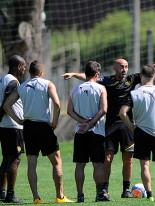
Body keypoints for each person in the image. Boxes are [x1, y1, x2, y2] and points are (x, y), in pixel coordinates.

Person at [62, 54, 155, 198]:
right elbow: (89, 76)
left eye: (126, 66)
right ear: (114, 68)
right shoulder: (106, 81)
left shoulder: (131, 79)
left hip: (127, 124)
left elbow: (151, 70)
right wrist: (73, 74)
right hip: (110, 125)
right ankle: (104, 189)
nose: (124, 69)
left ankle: (126, 189)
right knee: (107, 158)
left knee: (128, 159)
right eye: (121, 67)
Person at [3, 60, 73, 204]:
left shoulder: (22, 86)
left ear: (30, 72)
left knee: (32, 163)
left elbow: (6, 105)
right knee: (56, 162)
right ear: (41, 72)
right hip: (43, 127)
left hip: (28, 127)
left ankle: (36, 197)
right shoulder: (48, 84)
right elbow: (58, 105)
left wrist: (19, 120)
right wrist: (54, 122)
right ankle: (60, 196)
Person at [119, 65, 155, 201]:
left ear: (141, 77)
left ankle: (150, 195)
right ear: (154, 77)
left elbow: (122, 113)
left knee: (144, 164)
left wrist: (131, 126)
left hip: (141, 132)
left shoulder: (134, 93)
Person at [67, 61, 108, 202]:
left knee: (80, 165)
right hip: (96, 132)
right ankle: (99, 195)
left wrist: (83, 122)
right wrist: (90, 123)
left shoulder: (75, 89)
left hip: (80, 132)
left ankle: (80, 195)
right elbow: (104, 109)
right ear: (97, 74)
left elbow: (69, 111)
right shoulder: (101, 88)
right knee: (98, 164)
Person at [0, 55, 26, 203]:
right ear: (19, 66)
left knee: (6, 159)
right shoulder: (12, 81)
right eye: (23, 66)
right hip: (12, 126)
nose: (24, 69)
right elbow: (5, 103)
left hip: (5, 126)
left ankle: (1, 193)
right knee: (15, 160)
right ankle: (10, 195)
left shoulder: (3, 78)